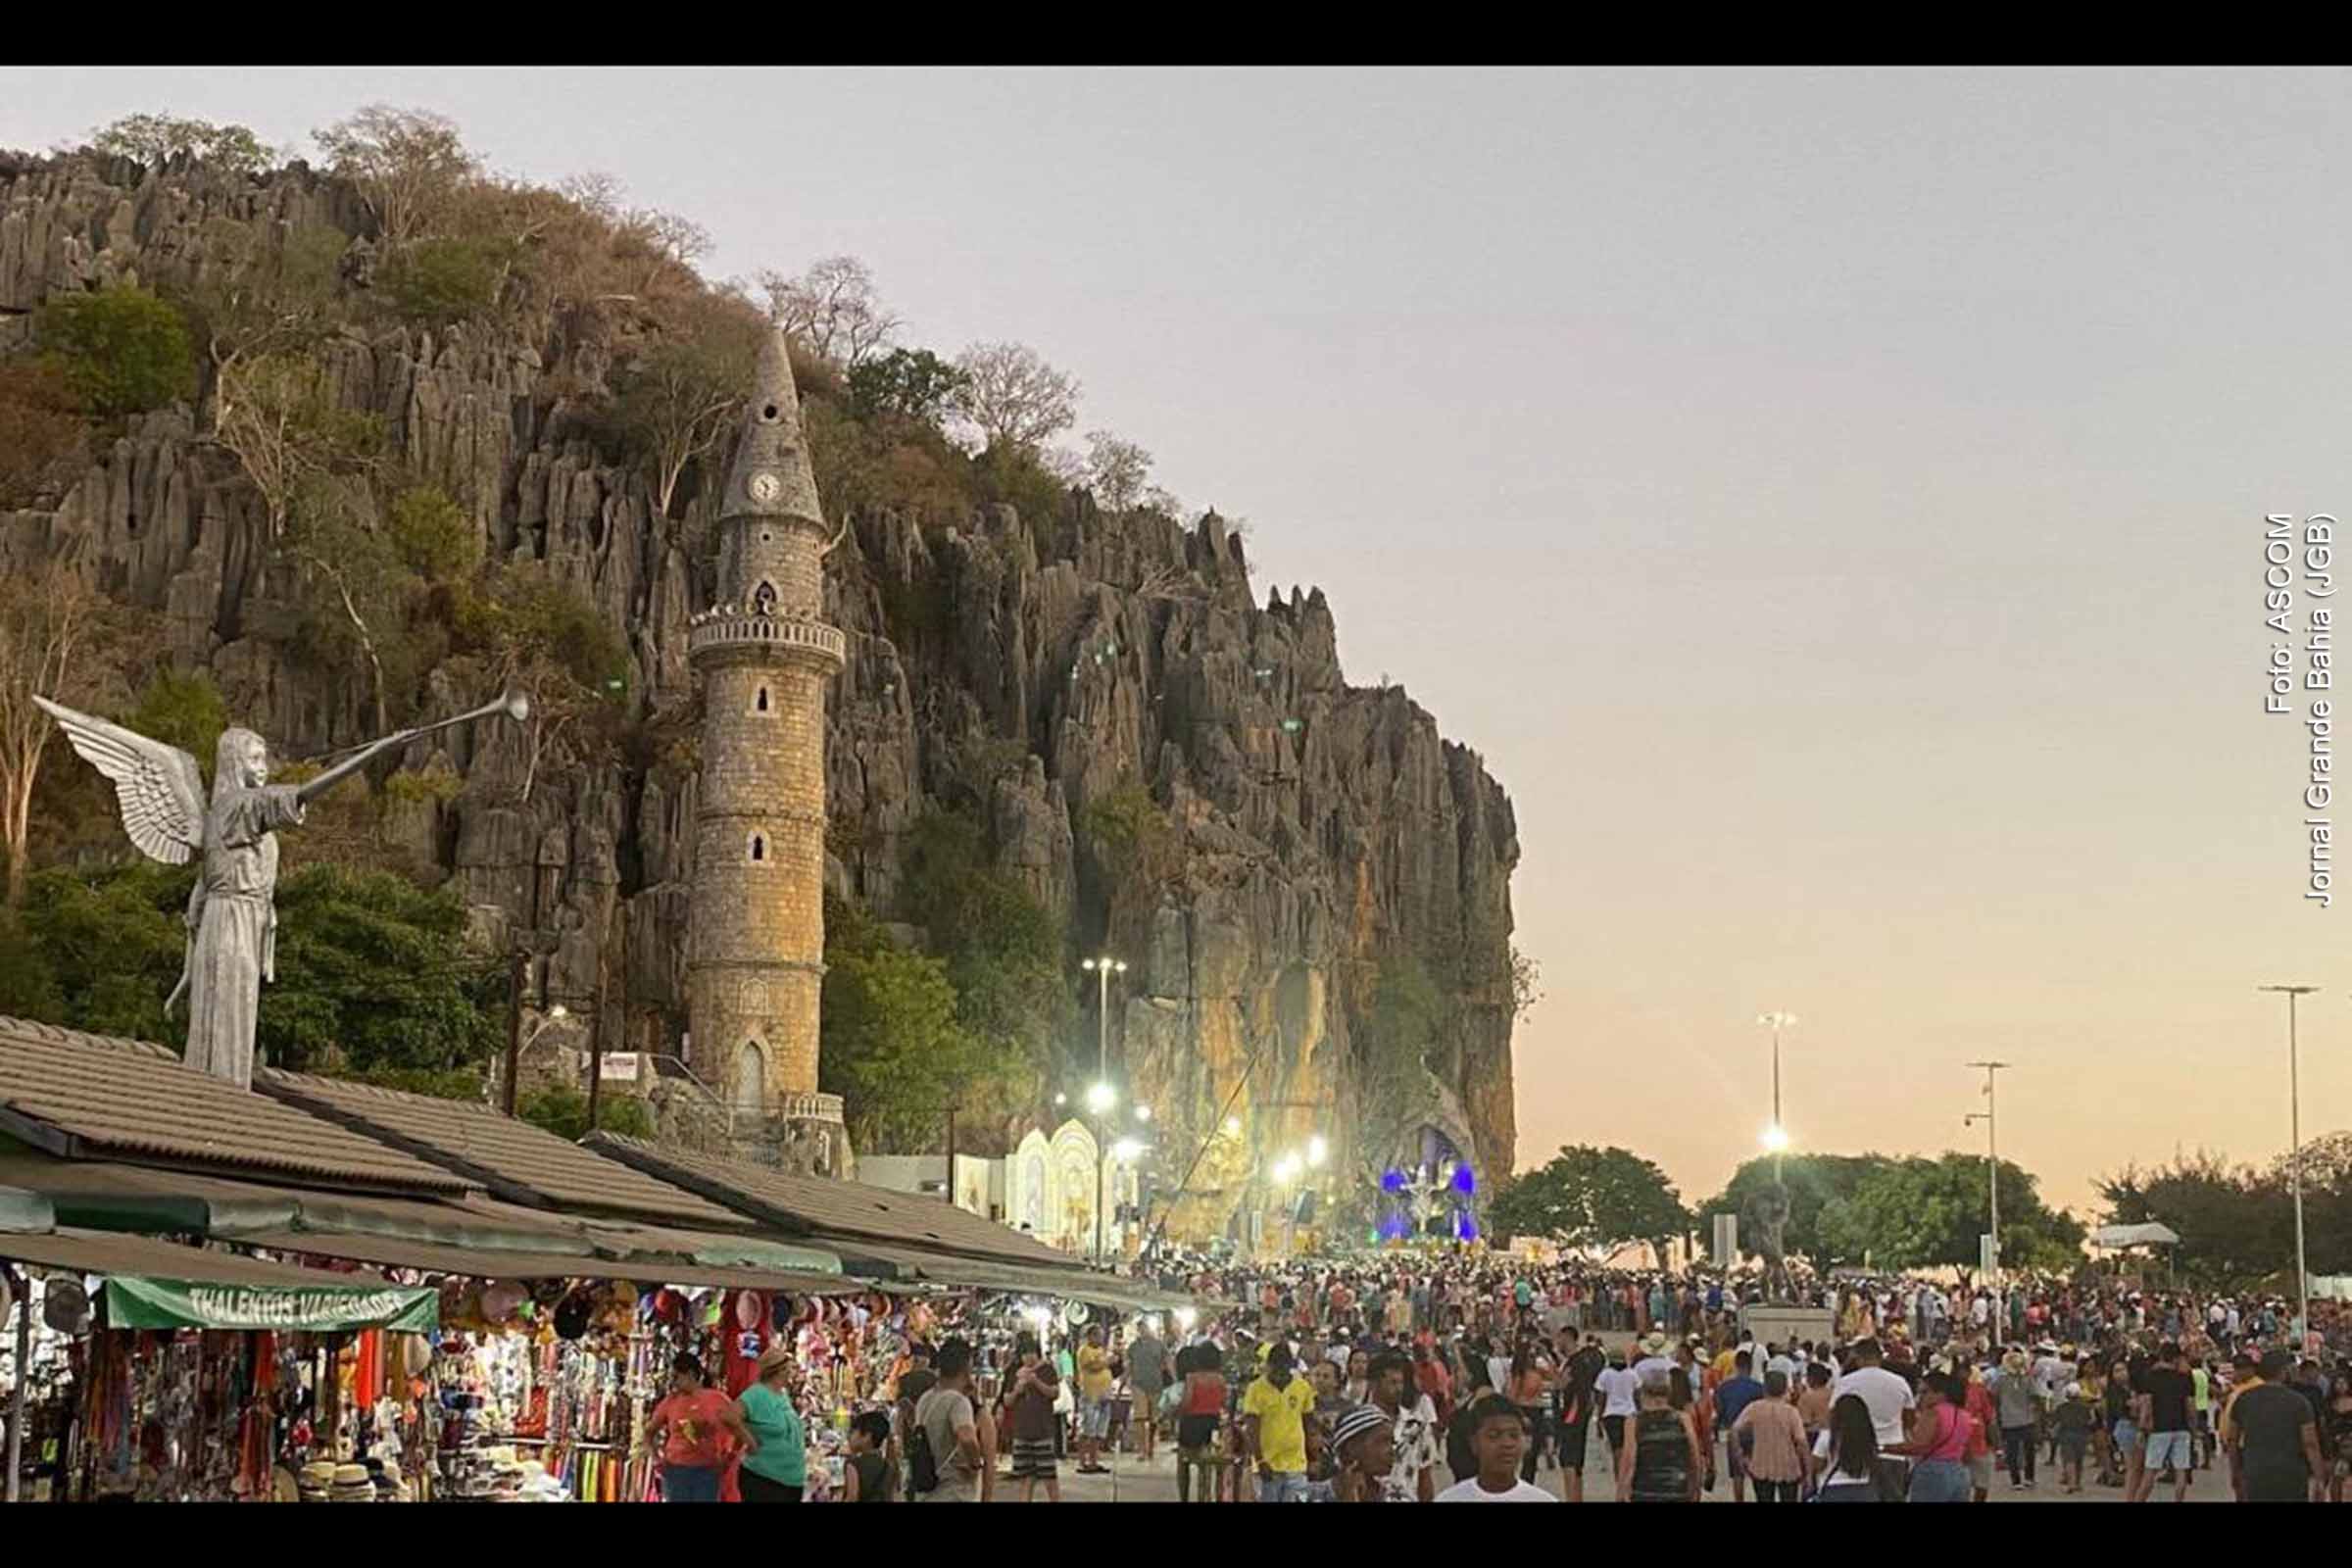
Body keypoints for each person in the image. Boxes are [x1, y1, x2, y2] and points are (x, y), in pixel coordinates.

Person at [645, 1352, 757, 1503]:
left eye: (676, 1377)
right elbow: (649, 1432)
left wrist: (730, 1457)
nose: (673, 1383)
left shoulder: (717, 1400)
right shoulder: (671, 1401)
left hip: (707, 1472)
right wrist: (656, 1460)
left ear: (690, 1374)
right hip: (676, 1471)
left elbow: (739, 1429)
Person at [2229, 1348, 2324, 1503]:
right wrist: (2319, 1478)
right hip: (2291, 1474)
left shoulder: (2244, 1400)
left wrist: (2235, 1472)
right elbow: (2310, 1443)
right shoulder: (2299, 1402)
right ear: (2283, 1371)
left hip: (2256, 1472)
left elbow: (2232, 1440)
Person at [1832, 1338, 1916, 1501]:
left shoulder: (1846, 1383)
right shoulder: (1899, 1383)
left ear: (1858, 1358)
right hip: (1894, 1454)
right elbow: (1910, 1420)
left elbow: (1834, 1417)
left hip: (1858, 1456)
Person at [912, 1336, 990, 1503]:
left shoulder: (925, 1399)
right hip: (952, 1491)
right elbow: (967, 1438)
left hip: (926, 1491)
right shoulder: (957, 1402)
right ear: (967, 1367)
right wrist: (976, 1465)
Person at [1436, 1397, 1557, 1501]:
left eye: (1514, 1435)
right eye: (1494, 1436)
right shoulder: (1450, 1499)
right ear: (1474, 1443)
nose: (1507, 1444)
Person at [1243, 1342, 1318, 1503]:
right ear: (1269, 1365)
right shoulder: (1255, 1389)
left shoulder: (1303, 1387)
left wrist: (1313, 1458)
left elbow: (1308, 1425)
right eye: (1275, 1367)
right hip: (1267, 1466)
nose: (1279, 1373)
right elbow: (1251, 1429)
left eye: (1284, 1368)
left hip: (1296, 1464)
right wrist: (1260, 1461)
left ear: (1290, 1366)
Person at [735, 1343, 807, 1502]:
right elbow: (728, 1416)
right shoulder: (756, 1394)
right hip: (764, 1478)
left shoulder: (781, 1394)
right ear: (779, 1371)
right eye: (788, 1368)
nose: (791, 1372)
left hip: (790, 1479)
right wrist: (749, 1440)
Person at [1620, 1364, 1701, 1502]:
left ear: (1643, 1393)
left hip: (1644, 1491)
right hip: (1677, 1490)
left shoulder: (1634, 1421)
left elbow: (1629, 1459)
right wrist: (1695, 1487)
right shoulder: (1683, 1418)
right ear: (1669, 1392)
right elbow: (1694, 1455)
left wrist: (1622, 1490)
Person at [1369, 1349, 1442, 1503]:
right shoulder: (1361, 1427)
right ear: (1374, 1384)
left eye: (1401, 1382)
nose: (1399, 1388)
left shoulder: (1417, 1426)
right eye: (1393, 1383)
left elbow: (1425, 1477)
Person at [1890, 1371, 1974, 1502]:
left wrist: (1884, 1448)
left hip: (1933, 1471)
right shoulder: (1964, 1414)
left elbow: (1918, 1446)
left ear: (1940, 1394)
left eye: (1925, 1392)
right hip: (1959, 1470)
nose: (1920, 1397)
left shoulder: (1933, 1413)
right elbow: (1968, 1451)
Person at [2130, 1343, 2195, 1504]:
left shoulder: (2150, 1376)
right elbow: (2190, 1405)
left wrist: (2142, 1427)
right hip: (2181, 1427)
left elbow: (2147, 1404)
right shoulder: (2185, 1377)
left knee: (2150, 1471)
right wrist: (2193, 1427)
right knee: (2181, 1470)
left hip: (2159, 1428)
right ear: (2177, 1358)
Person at [1730, 1369, 1809, 1502]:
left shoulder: (1754, 1408)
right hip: (1788, 1467)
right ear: (1785, 1389)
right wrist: (1808, 1470)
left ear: (1765, 1388)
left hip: (1760, 1465)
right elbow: (1802, 1442)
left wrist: (1739, 1455)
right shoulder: (1791, 1412)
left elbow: (1734, 1430)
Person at [1004, 1331, 1062, 1502]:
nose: (1027, 1358)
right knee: (1025, 1477)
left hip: (1042, 1431)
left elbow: (1054, 1393)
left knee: (1049, 1477)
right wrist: (1017, 1390)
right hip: (1021, 1432)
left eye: (1030, 1354)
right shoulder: (1014, 1372)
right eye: (1024, 1354)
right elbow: (1007, 1401)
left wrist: (1036, 1382)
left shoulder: (1047, 1369)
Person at [1304, 1403, 1398, 1502]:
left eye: (1392, 1443)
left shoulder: (1396, 1497)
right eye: (1382, 1441)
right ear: (1351, 1448)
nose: (1391, 1451)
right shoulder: (1308, 1496)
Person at [1174, 1342, 1227, 1504]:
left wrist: (1177, 1411)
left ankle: (1184, 1497)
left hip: (1192, 1425)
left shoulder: (1192, 1378)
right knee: (1217, 1466)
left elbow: (1187, 1402)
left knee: (1183, 1462)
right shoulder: (1220, 1379)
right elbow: (1224, 1402)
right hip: (1213, 1425)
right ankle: (1217, 1496)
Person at [1811, 1393, 1888, 1502]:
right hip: (1865, 1489)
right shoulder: (1867, 1435)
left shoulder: (1828, 1435)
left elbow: (1817, 1465)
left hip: (1834, 1490)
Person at [1712, 1348, 1766, 1502]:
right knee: (1757, 1470)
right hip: (1754, 1433)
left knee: (1737, 1473)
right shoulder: (1759, 1387)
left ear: (1735, 1365)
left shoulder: (1724, 1387)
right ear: (1750, 1366)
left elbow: (1719, 1410)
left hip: (1733, 1432)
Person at [1993, 1347, 2038, 1491]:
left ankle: (2016, 1480)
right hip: (2027, 1418)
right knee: (2029, 1450)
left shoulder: (2001, 1380)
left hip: (2008, 1420)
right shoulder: (2028, 1379)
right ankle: (2029, 1478)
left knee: (2012, 1451)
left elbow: (1993, 1395)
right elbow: (2034, 1397)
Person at [1127, 1320, 1168, 1464]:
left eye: (1144, 1328)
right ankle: (1142, 1449)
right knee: (1139, 1417)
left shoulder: (1159, 1345)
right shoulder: (1133, 1347)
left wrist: (1175, 1379)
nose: (1143, 1331)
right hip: (1138, 1384)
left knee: (1153, 1419)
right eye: (1140, 1329)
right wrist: (1123, 1382)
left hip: (1155, 1384)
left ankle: (1150, 1446)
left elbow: (1167, 1362)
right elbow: (1129, 1365)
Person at [1075, 1325, 1113, 1474]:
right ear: (1090, 1336)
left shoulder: (1101, 1351)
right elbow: (1092, 1366)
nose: (1100, 1338)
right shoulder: (1084, 1350)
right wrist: (1107, 1362)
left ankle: (1094, 1461)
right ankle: (1082, 1462)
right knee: (1087, 1430)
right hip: (1090, 1395)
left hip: (1104, 1394)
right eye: (1097, 1335)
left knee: (1099, 1432)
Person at [1595, 1348, 1640, 1465]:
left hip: (1611, 1414)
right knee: (1629, 1447)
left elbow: (1601, 1399)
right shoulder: (1632, 1374)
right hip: (1630, 1414)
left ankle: (1618, 1476)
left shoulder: (1605, 1374)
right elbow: (1637, 1396)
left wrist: (1599, 1418)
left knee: (1616, 1448)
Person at [843, 1409, 897, 1503]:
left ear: (867, 1436)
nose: (849, 1436)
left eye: (853, 1432)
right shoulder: (889, 1465)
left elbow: (852, 1497)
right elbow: (890, 1496)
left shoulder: (853, 1464)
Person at [2052, 1381, 2094, 1494]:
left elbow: (2055, 1422)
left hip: (2066, 1435)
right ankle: (2078, 1483)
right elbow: (2091, 1421)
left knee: (2069, 1460)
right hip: (2081, 1435)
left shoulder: (2061, 1407)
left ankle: (2071, 1484)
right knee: (2079, 1460)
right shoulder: (2086, 1408)